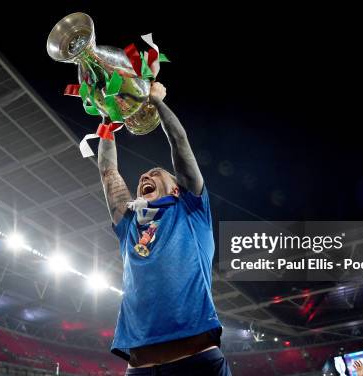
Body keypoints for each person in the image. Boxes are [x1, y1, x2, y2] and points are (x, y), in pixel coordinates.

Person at [98, 82, 230, 375]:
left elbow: (180, 144)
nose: (145, 174)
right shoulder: (129, 224)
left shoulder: (191, 209)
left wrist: (157, 101)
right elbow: (108, 172)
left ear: (176, 190)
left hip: (196, 361)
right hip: (140, 367)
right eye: (144, 175)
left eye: (156, 174)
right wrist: (107, 122)